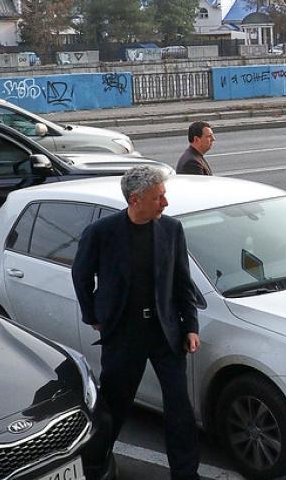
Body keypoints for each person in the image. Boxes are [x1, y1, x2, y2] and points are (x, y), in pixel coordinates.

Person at [72, 165, 202, 480]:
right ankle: (95, 464)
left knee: (179, 407)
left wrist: (191, 325)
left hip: (165, 332)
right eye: (158, 197)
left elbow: (183, 282)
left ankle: (185, 474)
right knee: (115, 404)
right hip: (124, 334)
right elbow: (81, 275)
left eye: (164, 195)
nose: (165, 203)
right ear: (135, 200)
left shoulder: (172, 230)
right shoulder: (102, 233)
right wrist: (93, 316)